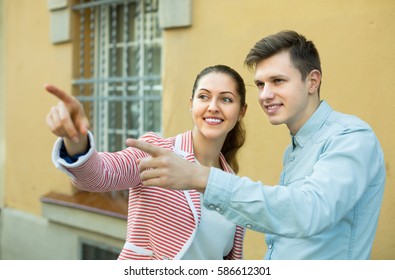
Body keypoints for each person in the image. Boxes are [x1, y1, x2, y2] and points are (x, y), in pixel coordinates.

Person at [127, 30, 386, 260]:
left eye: (278, 81)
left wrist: (200, 177)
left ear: (312, 81)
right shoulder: (296, 150)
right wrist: (84, 150)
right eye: (261, 84)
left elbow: (309, 211)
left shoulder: (351, 137)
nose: (265, 95)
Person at [45, 64, 248, 260]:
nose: (213, 107)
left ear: (241, 111)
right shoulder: (157, 153)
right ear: (191, 104)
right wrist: (75, 140)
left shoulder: (232, 185)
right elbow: (99, 175)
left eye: (226, 99)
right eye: (204, 97)